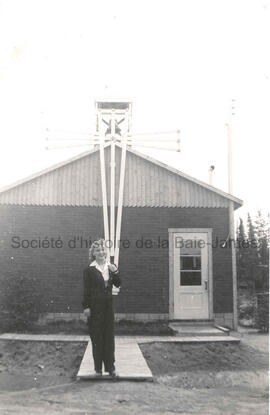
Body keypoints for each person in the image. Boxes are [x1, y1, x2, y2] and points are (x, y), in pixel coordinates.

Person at [82, 239, 121, 377]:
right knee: (97, 337)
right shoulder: (89, 270)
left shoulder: (111, 267)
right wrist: (86, 306)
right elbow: (86, 290)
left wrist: (115, 272)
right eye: (97, 250)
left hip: (108, 307)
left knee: (109, 337)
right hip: (94, 308)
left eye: (103, 250)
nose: (101, 252)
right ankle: (98, 368)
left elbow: (118, 284)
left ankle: (111, 367)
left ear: (106, 252)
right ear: (93, 253)